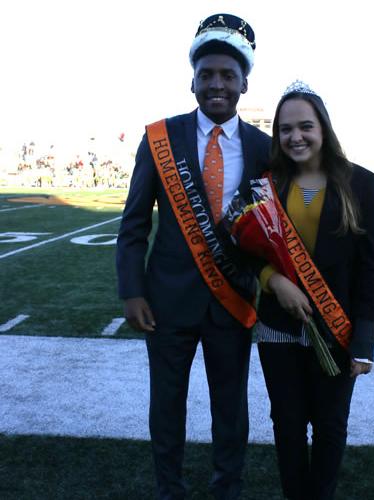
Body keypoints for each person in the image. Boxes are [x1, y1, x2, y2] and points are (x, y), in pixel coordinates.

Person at [116, 14, 270, 500]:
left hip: (234, 300)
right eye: (207, 74)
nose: (217, 84)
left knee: (231, 409)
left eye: (228, 74)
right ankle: (170, 490)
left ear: (245, 82)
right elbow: (134, 223)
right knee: (167, 406)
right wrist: (132, 290)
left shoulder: (265, 148)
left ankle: (227, 488)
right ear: (192, 81)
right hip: (166, 302)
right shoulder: (161, 139)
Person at [255, 81, 374, 500]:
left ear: (323, 129)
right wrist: (273, 281)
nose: (295, 137)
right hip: (277, 327)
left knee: (330, 427)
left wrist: (362, 342)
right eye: (285, 129)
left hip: (337, 328)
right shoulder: (265, 183)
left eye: (305, 126)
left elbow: (369, 270)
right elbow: (242, 250)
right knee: (287, 425)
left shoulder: (360, 184)